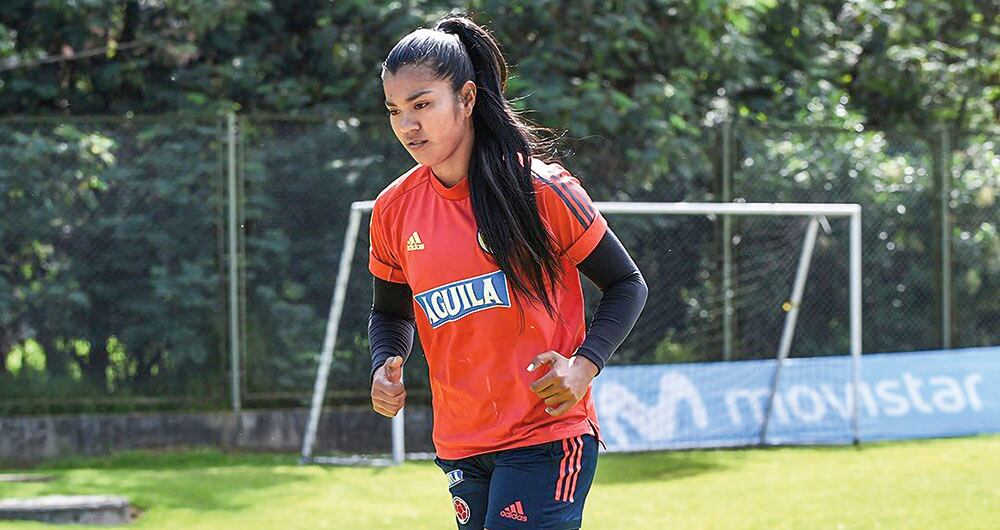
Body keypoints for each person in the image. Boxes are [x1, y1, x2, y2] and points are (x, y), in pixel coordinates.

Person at [368, 14, 647, 530]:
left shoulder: (540, 189)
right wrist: (386, 361)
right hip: (461, 443)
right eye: (395, 110)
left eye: (422, 104)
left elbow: (627, 284)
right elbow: (389, 314)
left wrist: (583, 367)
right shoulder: (393, 210)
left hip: (546, 435)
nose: (408, 125)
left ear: (468, 99)